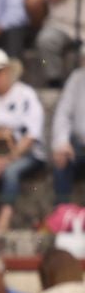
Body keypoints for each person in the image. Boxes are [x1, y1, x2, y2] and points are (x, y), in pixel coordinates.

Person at [0, 47, 45, 233]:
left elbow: (32, 134)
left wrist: (9, 158)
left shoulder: (26, 95)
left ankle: (4, 220)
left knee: (11, 171)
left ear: (8, 71)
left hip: (27, 153)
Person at [53, 54, 85, 204]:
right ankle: (62, 213)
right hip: (79, 147)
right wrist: (62, 142)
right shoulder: (77, 77)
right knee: (62, 155)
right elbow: (63, 114)